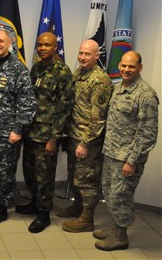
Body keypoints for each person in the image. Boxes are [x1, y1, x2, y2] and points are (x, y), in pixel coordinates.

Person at [95, 51, 159, 251]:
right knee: (108, 192)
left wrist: (132, 161)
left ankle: (121, 236)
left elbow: (147, 134)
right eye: (123, 65)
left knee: (120, 196)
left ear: (140, 67)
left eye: (131, 66)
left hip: (127, 158)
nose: (126, 69)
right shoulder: (118, 88)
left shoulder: (145, 95)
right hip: (112, 152)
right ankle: (115, 228)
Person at [15, 33, 73, 233]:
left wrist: (54, 138)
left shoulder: (62, 72)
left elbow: (65, 108)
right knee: (30, 172)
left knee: (45, 176)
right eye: (39, 45)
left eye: (47, 45)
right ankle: (34, 202)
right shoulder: (36, 68)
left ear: (55, 47)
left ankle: (44, 213)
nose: (42, 48)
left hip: (47, 135)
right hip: (31, 132)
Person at [0, 29, 36, 226]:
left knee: (5, 172)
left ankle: (3, 207)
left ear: (9, 43)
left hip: (6, 133)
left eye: (1, 41)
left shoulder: (18, 70)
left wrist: (18, 129)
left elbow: (27, 103)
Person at [60, 39, 113, 233]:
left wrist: (85, 143)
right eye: (81, 53)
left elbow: (98, 118)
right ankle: (77, 207)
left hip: (88, 140)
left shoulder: (100, 80)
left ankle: (87, 218)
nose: (82, 57)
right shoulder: (79, 73)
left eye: (87, 54)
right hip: (74, 135)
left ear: (97, 56)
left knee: (87, 179)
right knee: (75, 174)